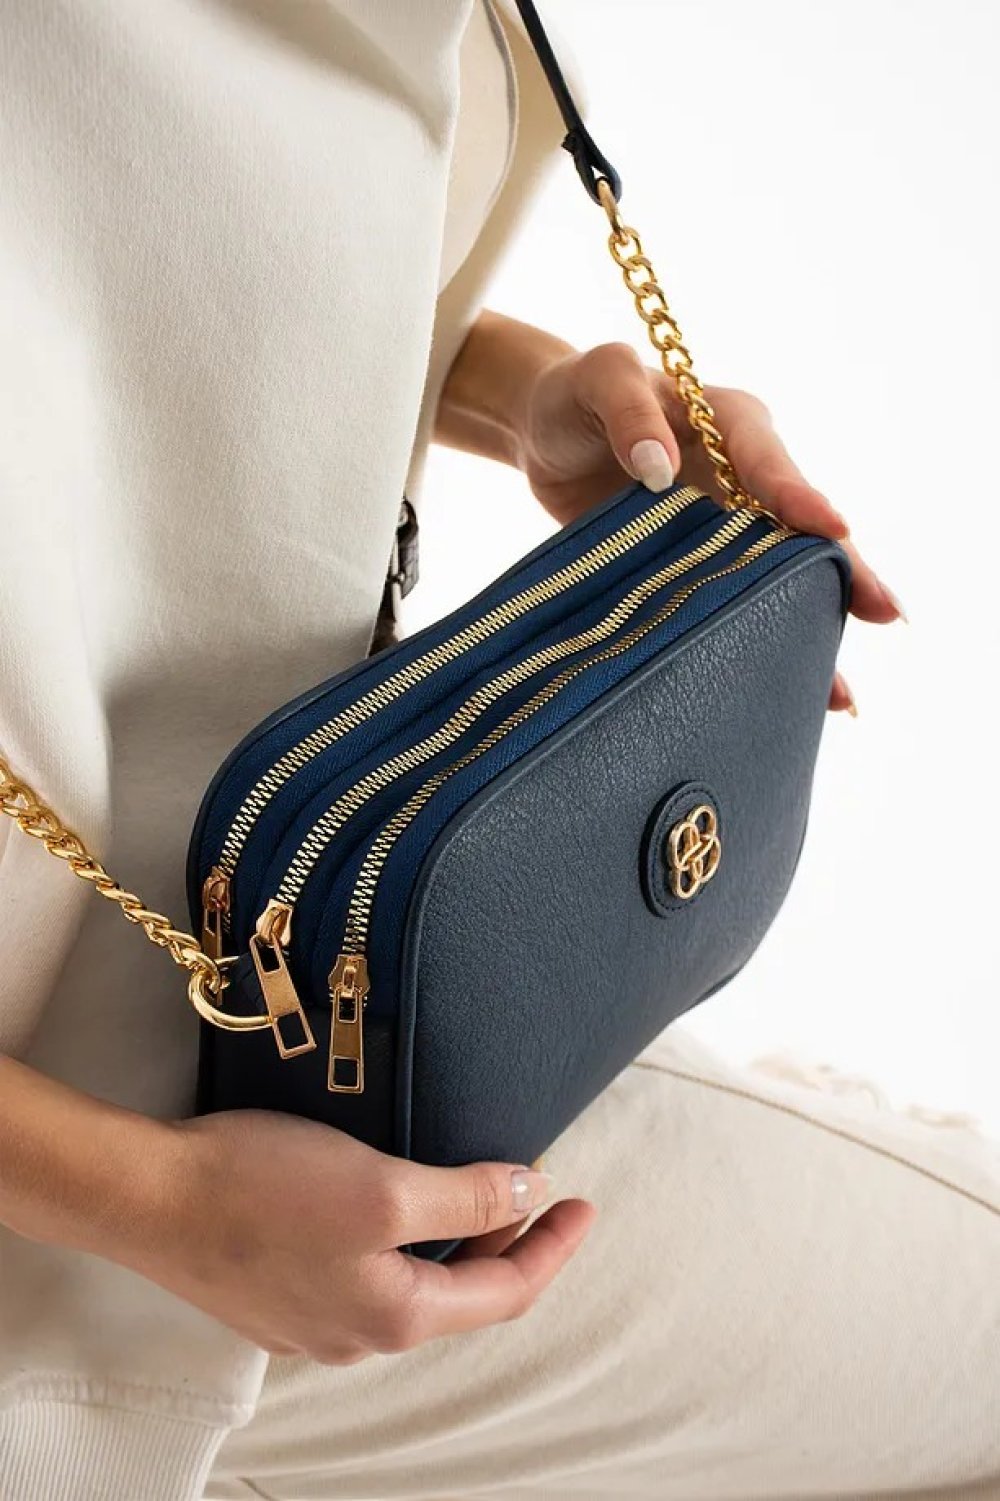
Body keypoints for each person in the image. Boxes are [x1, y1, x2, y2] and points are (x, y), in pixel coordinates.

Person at [0, 4, 997, 1499]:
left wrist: (528, 394)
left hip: (336, 1079)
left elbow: (169, 269)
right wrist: (158, 1204)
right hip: (117, 1211)